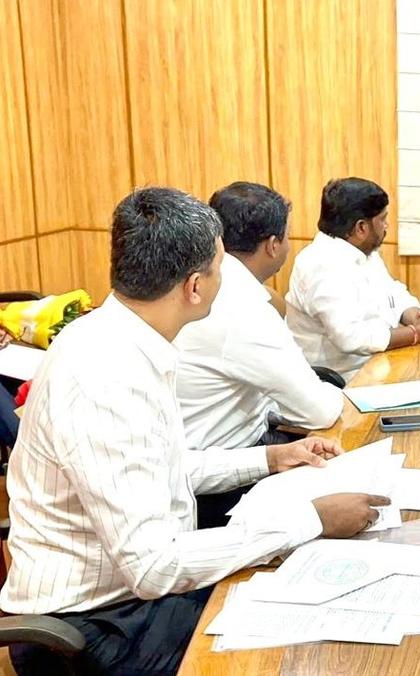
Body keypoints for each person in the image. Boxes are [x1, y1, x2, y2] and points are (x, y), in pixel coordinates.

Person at [0, 187, 389, 676]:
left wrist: (271, 459)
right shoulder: (106, 375)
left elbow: (164, 465)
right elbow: (153, 567)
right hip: (92, 631)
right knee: (296, 648)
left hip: (125, 600)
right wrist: (311, 519)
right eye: (221, 268)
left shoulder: (123, 339)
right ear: (195, 287)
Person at [176, 182, 343, 450]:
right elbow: (319, 411)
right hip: (228, 465)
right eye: (287, 236)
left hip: (214, 445)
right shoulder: (243, 307)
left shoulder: (200, 281)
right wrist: (345, 396)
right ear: (273, 245)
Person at [286, 177, 420, 379]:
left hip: (381, 364)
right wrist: (417, 333)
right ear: (361, 228)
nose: (387, 226)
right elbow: (351, 338)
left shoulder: (364, 251)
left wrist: (417, 317)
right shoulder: (320, 265)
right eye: (382, 219)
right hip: (344, 382)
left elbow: (393, 292)